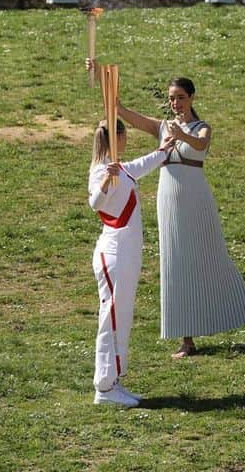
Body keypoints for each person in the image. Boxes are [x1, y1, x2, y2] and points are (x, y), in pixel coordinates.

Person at [91, 70, 245, 358]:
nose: (176, 103)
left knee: (215, 258)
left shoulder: (201, 127)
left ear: (191, 97)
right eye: (172, 99)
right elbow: (124, 113)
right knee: (174, 263)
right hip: (168, 201)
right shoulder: (163, 127)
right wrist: (99, 74)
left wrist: (182, 135)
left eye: (181, 98)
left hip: (196, 200)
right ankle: (187, 340)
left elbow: (202, 144)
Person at [87, 120, 170, 407]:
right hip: (114, 254)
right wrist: (104, 183)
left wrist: (164, 150)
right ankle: (105, 387)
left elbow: (143, 164)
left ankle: (115, 382)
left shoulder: (120, 168)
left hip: (126, 254)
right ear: (117, 137)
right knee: (111, 319)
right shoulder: (102, 170)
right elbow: (95, 203)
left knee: (122, 318)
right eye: (124, 134)